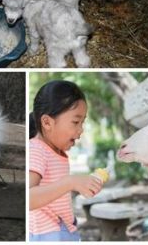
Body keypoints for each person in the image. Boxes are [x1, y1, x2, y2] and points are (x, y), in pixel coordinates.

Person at [29, 80, 103, 241]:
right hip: (47, 235)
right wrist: (70, 183)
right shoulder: (36, 150)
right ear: (47, 122)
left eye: (82, 122)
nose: (81, 129)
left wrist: (81, 185)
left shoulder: (57, 152)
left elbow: (55, 192)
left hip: (64, 230)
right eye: (76, 122)